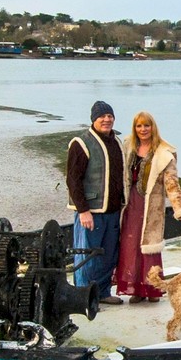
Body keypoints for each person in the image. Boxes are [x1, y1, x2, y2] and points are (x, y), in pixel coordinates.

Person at [114, 111, 181, 301]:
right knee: (130, 246)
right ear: (135, 128)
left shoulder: (164, 152)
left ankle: (152, 288)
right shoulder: (128, 146)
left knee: (150, 248)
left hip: (152, 206)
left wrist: (180, 209)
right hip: (131, 204)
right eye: (139, 126)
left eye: (146, 126)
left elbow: (172, 184)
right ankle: (136, 289)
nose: (143, 130)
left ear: (153, 127)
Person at [66, 100, 128, 304]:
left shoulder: (117, 142)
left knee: (108, 255)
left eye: (110, 116)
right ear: (94, 119)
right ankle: (84, 297)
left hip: (113, 211)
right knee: (87, 255)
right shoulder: (81, 142)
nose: (107, 119)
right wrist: (83, 211)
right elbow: (73, 180)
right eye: (102, 116)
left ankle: (102, 293)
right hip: (91, 211)